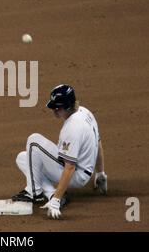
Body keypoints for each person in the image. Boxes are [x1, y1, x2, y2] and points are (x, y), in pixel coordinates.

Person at [12, 84, 108, 219]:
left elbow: (70, 167)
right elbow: (98, 143)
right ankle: (51, 193)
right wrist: (100, 173)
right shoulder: (85, 112)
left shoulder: (73, 127)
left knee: (33, 141)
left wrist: (56, 202)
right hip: (82, 170)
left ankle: (35, 193)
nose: (54, 112)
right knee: (23, 158)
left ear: (68, 106)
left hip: (77, 174)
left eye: (57, 108)